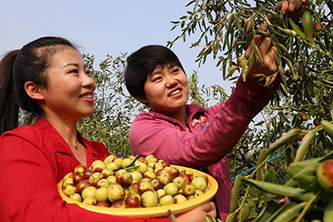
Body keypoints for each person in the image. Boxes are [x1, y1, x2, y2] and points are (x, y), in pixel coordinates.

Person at [124, 0, 307, 220]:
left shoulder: (202, 117)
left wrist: (280, 30)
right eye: (158, 78)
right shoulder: (144, 130)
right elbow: (199, 147)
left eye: (175, 71)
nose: (172, 81)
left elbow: (245, 103)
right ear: (141, 96)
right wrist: (249, 82)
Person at [0, 36, 216, 222]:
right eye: (74, 72)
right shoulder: (20, 145)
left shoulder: (100, 154)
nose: (90, 82)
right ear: (35, 90)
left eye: (87, 72)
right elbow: (38, 217)